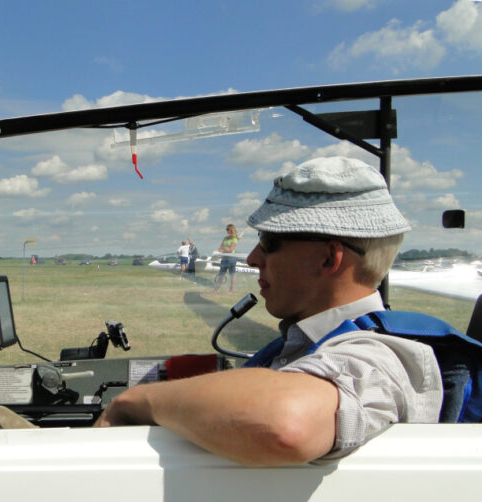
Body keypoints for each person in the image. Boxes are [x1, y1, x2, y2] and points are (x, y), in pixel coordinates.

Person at [94, 156, 442, 466]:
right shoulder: (302, 342)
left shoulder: (380, 356)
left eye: (270, 243)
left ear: (328, 258)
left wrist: (134, 401)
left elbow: (286, 422)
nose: (252, 258)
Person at [213, 224, 238, 293]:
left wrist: (223, 249)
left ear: (231, 230)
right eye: (226, 229)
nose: (226, 231)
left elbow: (231, 249)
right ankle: (216, 289)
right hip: (224, 258)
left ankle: (231, 290)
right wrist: (223, 249)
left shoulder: (234, 239)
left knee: (232, 274)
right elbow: (221, 247)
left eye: (227, 229)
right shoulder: (225, 238)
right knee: (221, 274)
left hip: (231, 259)